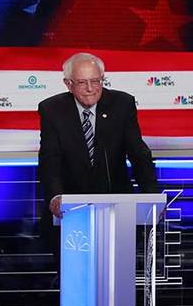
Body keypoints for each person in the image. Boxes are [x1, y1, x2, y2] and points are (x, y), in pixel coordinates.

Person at [37, 52, 160, 256]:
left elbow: (138, 153)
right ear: (68, 84)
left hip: (116, 204)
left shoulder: (122, 104)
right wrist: (55, 195)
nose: (90, 89)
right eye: (82, 82)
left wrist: (152, 195)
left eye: (96, 81)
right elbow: (50, 158)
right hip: (72, 209)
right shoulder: (52, 109)